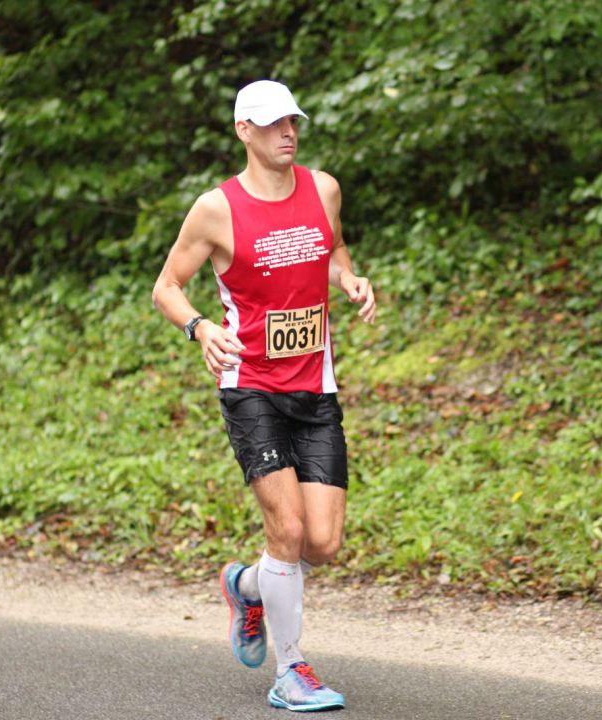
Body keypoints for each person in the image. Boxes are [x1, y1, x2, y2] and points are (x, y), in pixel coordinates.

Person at [152, 79, 375, 712]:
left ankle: (247, 587)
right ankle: (292, 669)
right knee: (287, 529)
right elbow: (166, 286)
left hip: (315, 387)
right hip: (250, 387)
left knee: (322, 543)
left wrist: (351, 280)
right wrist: (199, 327)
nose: (288, 132)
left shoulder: (322, 188)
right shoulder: (216, 209)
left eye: (293, 121)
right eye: (272, 123)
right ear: (243, 131)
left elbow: (332, 251)